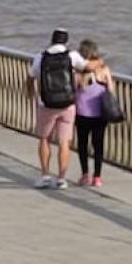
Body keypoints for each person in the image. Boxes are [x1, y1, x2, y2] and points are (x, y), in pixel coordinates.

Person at [26, 28, 90, 189]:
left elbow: (30, 78)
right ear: (66, 41)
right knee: (64, 142)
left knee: (44, 139)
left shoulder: (40, 57)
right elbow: (88, 68)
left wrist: (31, 94)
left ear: (51, 40)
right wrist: (81, 83)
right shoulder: (72, 56)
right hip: (68, 104)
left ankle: (45, 175)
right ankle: (61, 178)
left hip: (46, 104)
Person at [74, 39, 114, 187]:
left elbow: (73, 90)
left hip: (81, 113)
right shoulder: (104, 69)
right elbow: (110, 90)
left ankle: (85, 174)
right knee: (98, 145)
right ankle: (97, 177)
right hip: (99, 114)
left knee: (83, 145)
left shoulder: (78, 72)